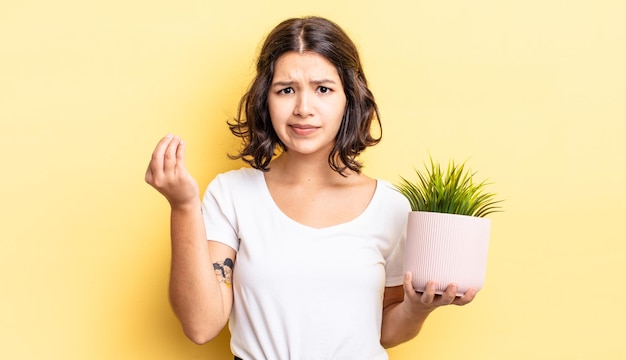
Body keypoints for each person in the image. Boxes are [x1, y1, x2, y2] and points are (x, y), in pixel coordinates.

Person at [145, 16, 476, 360]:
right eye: (286, 89)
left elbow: (382, 330)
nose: (303, 109)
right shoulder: (232, 195)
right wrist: (183, 207)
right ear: (265, 99)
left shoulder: (390, 205)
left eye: (323, 89)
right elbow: (201, 325)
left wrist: (419, 308)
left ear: (350, 97)